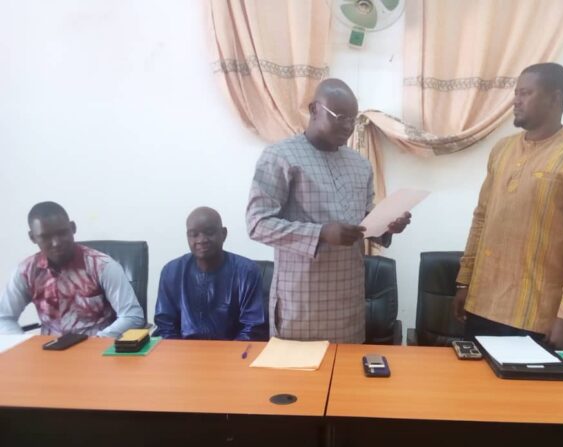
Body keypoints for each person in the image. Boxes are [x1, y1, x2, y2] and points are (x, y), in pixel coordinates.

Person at [452, 63, 563, 349]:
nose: (516, 100)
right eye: (516, 93)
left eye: (525, 93)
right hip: (481, 304)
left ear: (555, 98)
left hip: (536, 316)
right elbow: (481, 217)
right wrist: (465, 281)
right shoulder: (502, 149)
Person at [246, 78, 410, 343]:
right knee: (301, 370)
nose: (348, 127)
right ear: (314, 110)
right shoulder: (280, 157)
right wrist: (321, 233)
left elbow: (363, 219)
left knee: (347, 369)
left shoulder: (360, 164)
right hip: (301, 303)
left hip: (348, 302)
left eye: (352, 119)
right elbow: (257, 224)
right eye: (340, 117)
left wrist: (386, 226)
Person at [0, 201, 144, 337]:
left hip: (97, 346)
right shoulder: (26, 272)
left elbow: (132, 316)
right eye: (45, 237)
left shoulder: (102, 265)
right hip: (48, 349)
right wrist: (19, 344)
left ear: (73, 228)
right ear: (32, 237)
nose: (56, 243)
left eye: (62, 233)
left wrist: (97, 341)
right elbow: (4, 318)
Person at [154, 207, 267, 341]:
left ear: (223, 234)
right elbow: (165, 325)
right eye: (194, 234)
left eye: (209, 232)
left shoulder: (247, 271)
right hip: (184, 350)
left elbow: (252, 327)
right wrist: (180, 351)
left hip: (233, 350)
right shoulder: (171, 271)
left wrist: (229, 353)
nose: (202, 240)